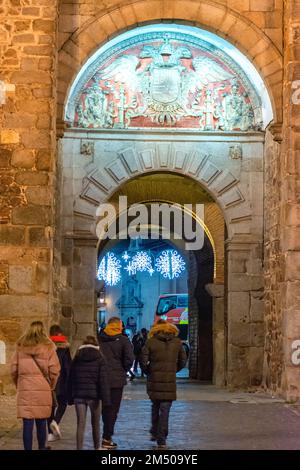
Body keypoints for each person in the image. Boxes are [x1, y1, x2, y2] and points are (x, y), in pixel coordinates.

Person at [10, 321, 60, 451]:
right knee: (41, 421)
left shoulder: (20, 346)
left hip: (25, 388)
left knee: (27, 423)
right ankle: (41, 448)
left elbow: (13, 369)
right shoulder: (49, 347)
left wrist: (18, 384)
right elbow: (54, 370)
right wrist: (52, 386)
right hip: (43, 388)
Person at [140, 319, 187, 449]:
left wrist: (149, 371)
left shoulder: (150, 342)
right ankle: (162, 439)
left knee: (155, 406)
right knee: (165, 410)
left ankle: (154, 432)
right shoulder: (177, 342)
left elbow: (143, 361)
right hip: (169, 381)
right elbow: (183, 360)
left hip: (154, 380)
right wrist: (173, 369)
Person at [68, 336, 111, 450]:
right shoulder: (100, 358)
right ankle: (97, 447)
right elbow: (103, 380)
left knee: (80, 424)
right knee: (95, 424)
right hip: (95, 396)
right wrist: (106, 399)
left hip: (79, 395)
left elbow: (71, 378)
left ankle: (79, 448)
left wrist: (70, 396)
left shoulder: (77, 358)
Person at [98, 316, 134, 449]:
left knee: (105, 407)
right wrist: (122, 369)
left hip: (101, 379)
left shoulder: (99, 338)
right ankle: (107, 437)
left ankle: (104, 435)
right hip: (117, 380)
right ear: (119, 326)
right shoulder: (124, 340)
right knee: (113, 409)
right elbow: (129, 359)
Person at [47, 324, 72, 442]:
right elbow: (67, 367)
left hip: (49, 381)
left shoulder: (46, 347)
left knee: (50, 407)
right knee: (63, 404)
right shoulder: (65, 348)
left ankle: (50, 433)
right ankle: (55, 421)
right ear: (60, 333)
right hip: (62, 381)